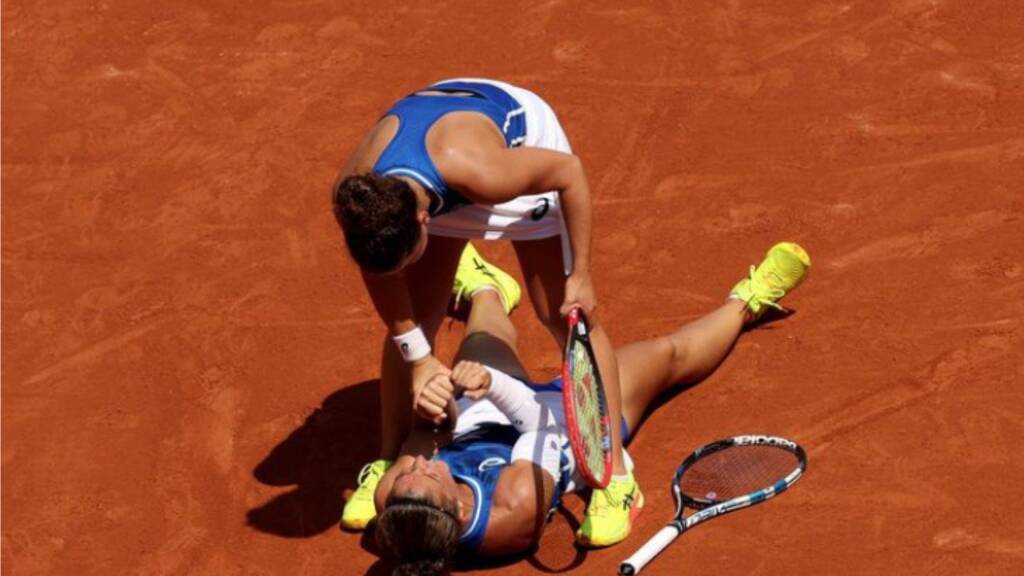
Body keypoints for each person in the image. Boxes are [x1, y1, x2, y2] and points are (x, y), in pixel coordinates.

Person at [370, 241, 811, 574]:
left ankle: (488, 288)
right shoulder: (514, 509)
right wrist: (495, 385)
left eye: (407, 474)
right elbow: (540, 428)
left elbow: (431, 435)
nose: (419, 469)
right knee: (668, 355)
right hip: (567, 425)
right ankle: (747, 302)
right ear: (460, 510)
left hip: (479, 419)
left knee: (484, 336)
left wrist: (440, 401)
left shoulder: (397, 499)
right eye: (426, 477)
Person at [333, 78, 631, 540]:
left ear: (422, 220)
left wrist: (583, 273)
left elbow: (570, 172)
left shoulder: (487, 173)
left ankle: (614, 477)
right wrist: (418, 357)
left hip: (517, 154)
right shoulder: (360, 199)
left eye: (408, 255)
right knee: (417, 323)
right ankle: (390, 457)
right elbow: (381, 274)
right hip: (436, 165)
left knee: (559, 314)